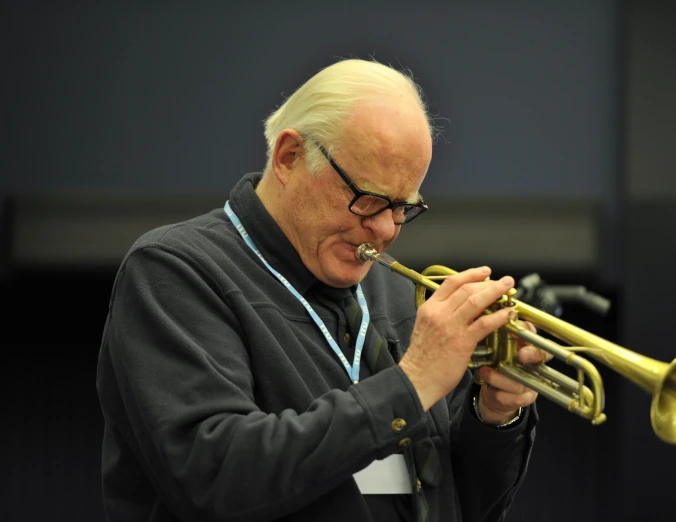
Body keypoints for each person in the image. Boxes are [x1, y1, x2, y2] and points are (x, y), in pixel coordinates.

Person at [96, 57, 548, 522]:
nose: (384, 230)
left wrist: (493, 414)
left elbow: (465, 505)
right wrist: (411, 382)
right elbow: (215, 478)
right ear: (290, 157)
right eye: (368, 199)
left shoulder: (394, 292)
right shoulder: (175, 270)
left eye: (401, 208)